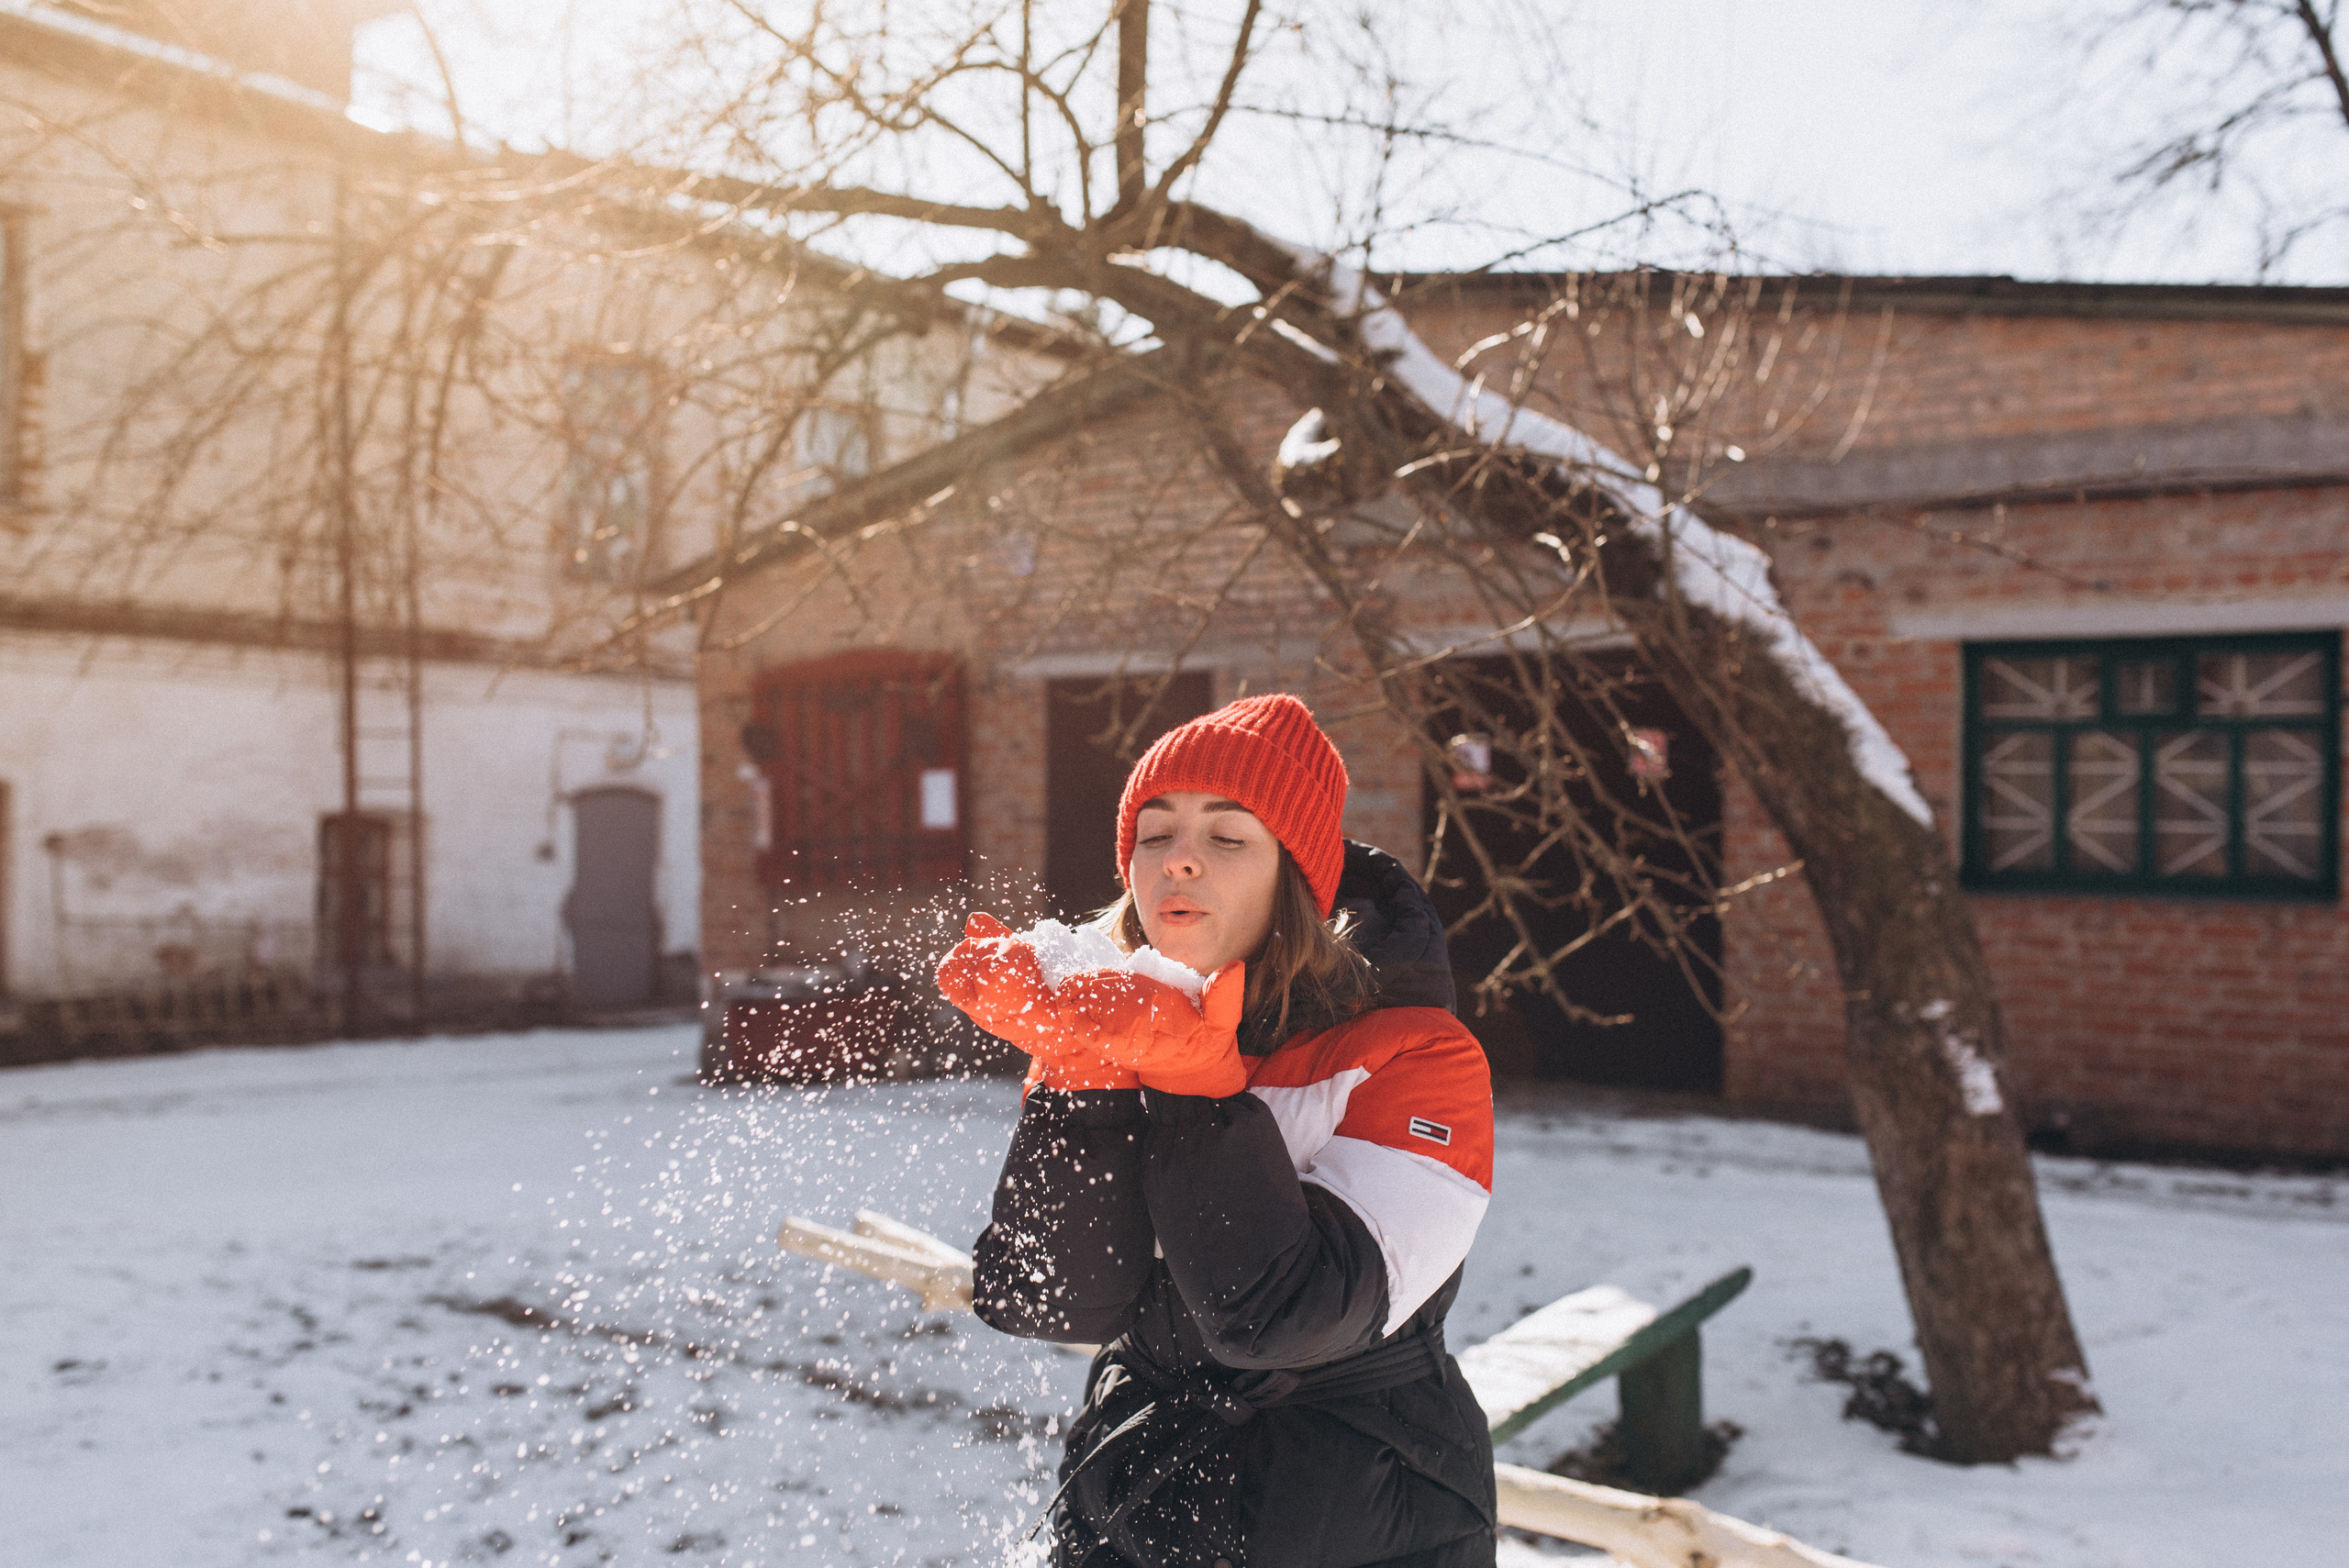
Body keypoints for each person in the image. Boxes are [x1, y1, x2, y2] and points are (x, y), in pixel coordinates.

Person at [937, 694, 1497, 1568]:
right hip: (1136, 1491)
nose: (1180, 862)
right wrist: (1082, 1078)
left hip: (1360, 1507)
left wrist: (1199, 1084)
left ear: (1297, 879)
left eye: (1227, 837)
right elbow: (1052, 1298)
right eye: (1155, 835)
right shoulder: (1115, 1024)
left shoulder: (1417, 1054)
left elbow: (1279, 1318)